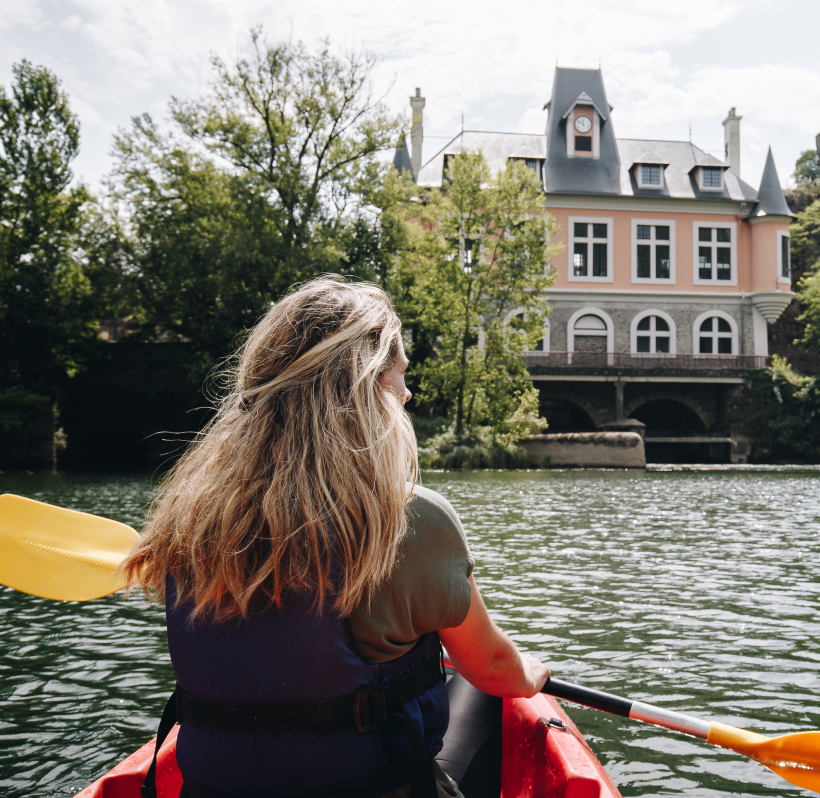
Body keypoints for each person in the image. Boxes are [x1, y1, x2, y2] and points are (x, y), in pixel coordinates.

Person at [124, 277, 549, 798]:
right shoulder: (406, 518)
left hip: (213, 788)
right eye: (400, 376)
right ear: (364, 385)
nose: (409, 394)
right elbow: (494, 667)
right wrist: (532, 673)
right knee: (481, 690)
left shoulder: (189, 520)